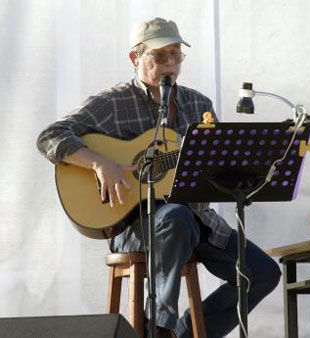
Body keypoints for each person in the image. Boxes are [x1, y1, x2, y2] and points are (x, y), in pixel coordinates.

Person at [37, 17, 281, 338]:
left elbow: (216, 171)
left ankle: (184, 333)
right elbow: (50, 136)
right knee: (175, 217)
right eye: (159, 56)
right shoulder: (113, 102)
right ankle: (157, 328)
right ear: (135, 58)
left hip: (197, 220)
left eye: (175, 55)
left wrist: (251, 165)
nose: (169, 64)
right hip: (132, 224)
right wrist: (100, 164)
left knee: (263, 273)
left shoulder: (199, 105)